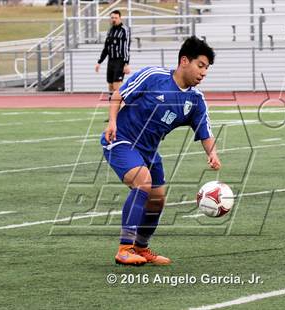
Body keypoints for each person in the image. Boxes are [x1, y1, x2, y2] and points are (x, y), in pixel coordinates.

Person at [100, 36, 221, 266]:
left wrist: (212, 153)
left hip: (149, 151)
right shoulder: (153, 77)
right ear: (184, 61)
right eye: (201, 65)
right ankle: (124, 249)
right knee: (142, 182)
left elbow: (204, 130)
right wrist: (112, 123)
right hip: (121, 140)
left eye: (207, 68)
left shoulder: (195, 100)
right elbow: (119, 96)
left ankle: (141, 247)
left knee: (157, 200)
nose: (204, 72)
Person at [95, 10, 131, 107]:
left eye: (115, 18)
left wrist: (126, 63)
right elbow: (106, 48)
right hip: (110, 61)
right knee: (110, 86)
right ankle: (112, 112)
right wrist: (99, 62)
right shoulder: (110, 30)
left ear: (120, 18)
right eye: (112, 18)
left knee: (117, 87)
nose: (113, 19)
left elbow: (126, 47)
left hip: (120, 61)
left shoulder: (124, 30)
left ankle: (120, 112)